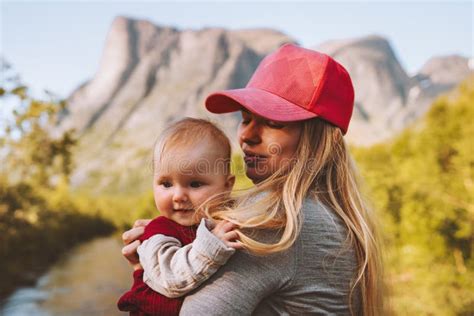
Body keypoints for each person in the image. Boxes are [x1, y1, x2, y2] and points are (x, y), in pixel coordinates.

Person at [122, 44, 385, 315]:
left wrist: (145, 273)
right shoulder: (332, 215)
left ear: (317, 139)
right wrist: (157, 262)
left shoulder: (277, 220)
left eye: (273, 122)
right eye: (246, 118)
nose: (248, 135)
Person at [118, 118, 241, 316]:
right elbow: (171, 277)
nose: (178, 196)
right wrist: (213, 245)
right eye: (166, 184)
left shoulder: (221, 220)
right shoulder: (157, 232)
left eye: (194, 184)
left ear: (227, 186)